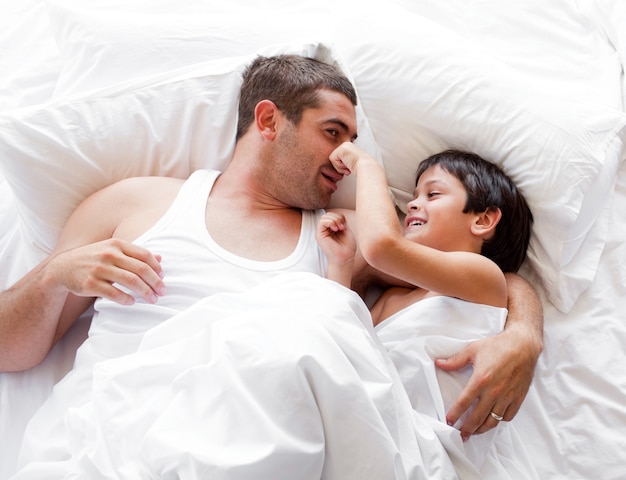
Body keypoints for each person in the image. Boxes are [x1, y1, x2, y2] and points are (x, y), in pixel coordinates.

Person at [0, 54, 541, 477]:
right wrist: (57, 275)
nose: (342, 157)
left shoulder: (342, 231)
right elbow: (12, 350)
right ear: (268, 120)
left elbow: (477, 273)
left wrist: (524, 335)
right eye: (332, 133)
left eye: (352, 143)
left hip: (256, 442)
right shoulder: (133, 203)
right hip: (108, 439)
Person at [318, 145, 540, 477]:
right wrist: (341, 263)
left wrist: (366, 165)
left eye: (432, 194)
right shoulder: (391, 299)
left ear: (483, 219)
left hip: (426, 447)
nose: (411, 203)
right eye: (415, 193)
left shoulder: (484, 278)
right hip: (373, 421)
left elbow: (381, 245)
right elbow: (343, 336)